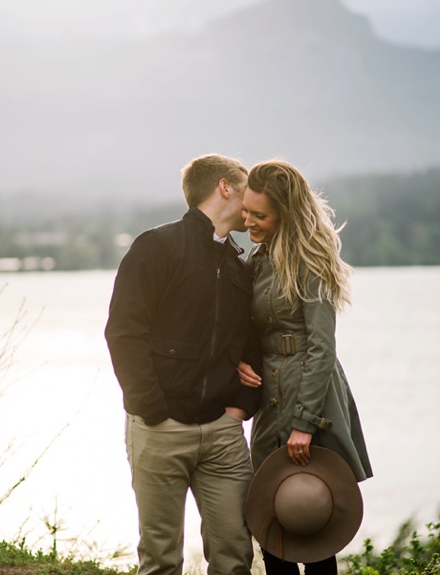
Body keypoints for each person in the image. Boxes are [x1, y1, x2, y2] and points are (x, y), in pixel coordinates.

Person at [104, 153, 262, 575]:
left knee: (234, 556)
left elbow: (252, 344)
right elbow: (123, 333)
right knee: (160, 558)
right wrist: (153, 410)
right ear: (225, 187)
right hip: (159, 429)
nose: (254, 198)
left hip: (223, 433)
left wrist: (242, 406)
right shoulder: (156, 246)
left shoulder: (238, 264)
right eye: (247, 185)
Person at [237, 159, 373, 575]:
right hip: (271, 398)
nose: (248, 222)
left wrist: (306, 422)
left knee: (311, 521)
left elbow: (321, 347)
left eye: (259, 215)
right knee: (271, 518)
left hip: (312, 397)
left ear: (285, 213)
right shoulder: (258, 259)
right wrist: (240, 359)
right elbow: (245, 323)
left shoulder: (311, 260)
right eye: (246, 211)